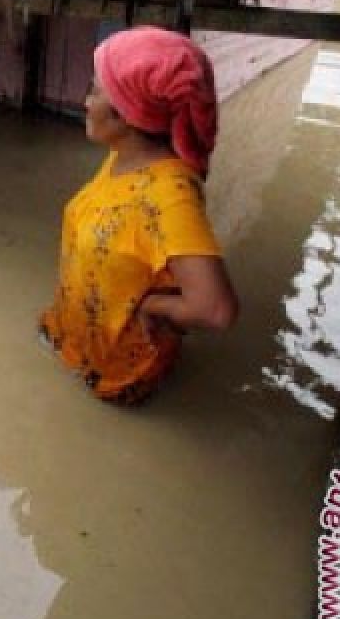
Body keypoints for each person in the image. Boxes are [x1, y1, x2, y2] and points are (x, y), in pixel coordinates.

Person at [39, 26, 238, 405]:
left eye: (96, 91)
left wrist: (153, 306)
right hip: (75, 336)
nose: (85, 101)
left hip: (119, 372)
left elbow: (215, 309)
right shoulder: (124, 156)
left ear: (128, 115)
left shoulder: (169, 196)